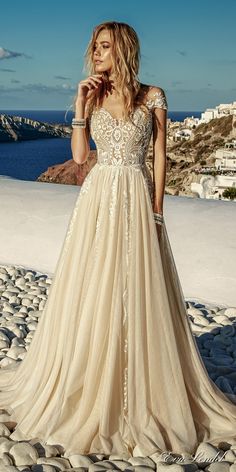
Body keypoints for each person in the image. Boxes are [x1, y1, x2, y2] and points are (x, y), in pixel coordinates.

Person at [0, 20, 236, 460]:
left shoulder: (154, 96)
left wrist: (159, 209)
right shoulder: (92, 93)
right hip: (98, 198)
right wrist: (79, 103)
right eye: (93, 46)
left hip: (136, 196)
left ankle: (143, 378)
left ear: (123, 49)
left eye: (104, 46)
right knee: (95, 285)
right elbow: (77, 157)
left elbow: (160, 154)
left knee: (140, 286)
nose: (95, 53)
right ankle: (92, 372)